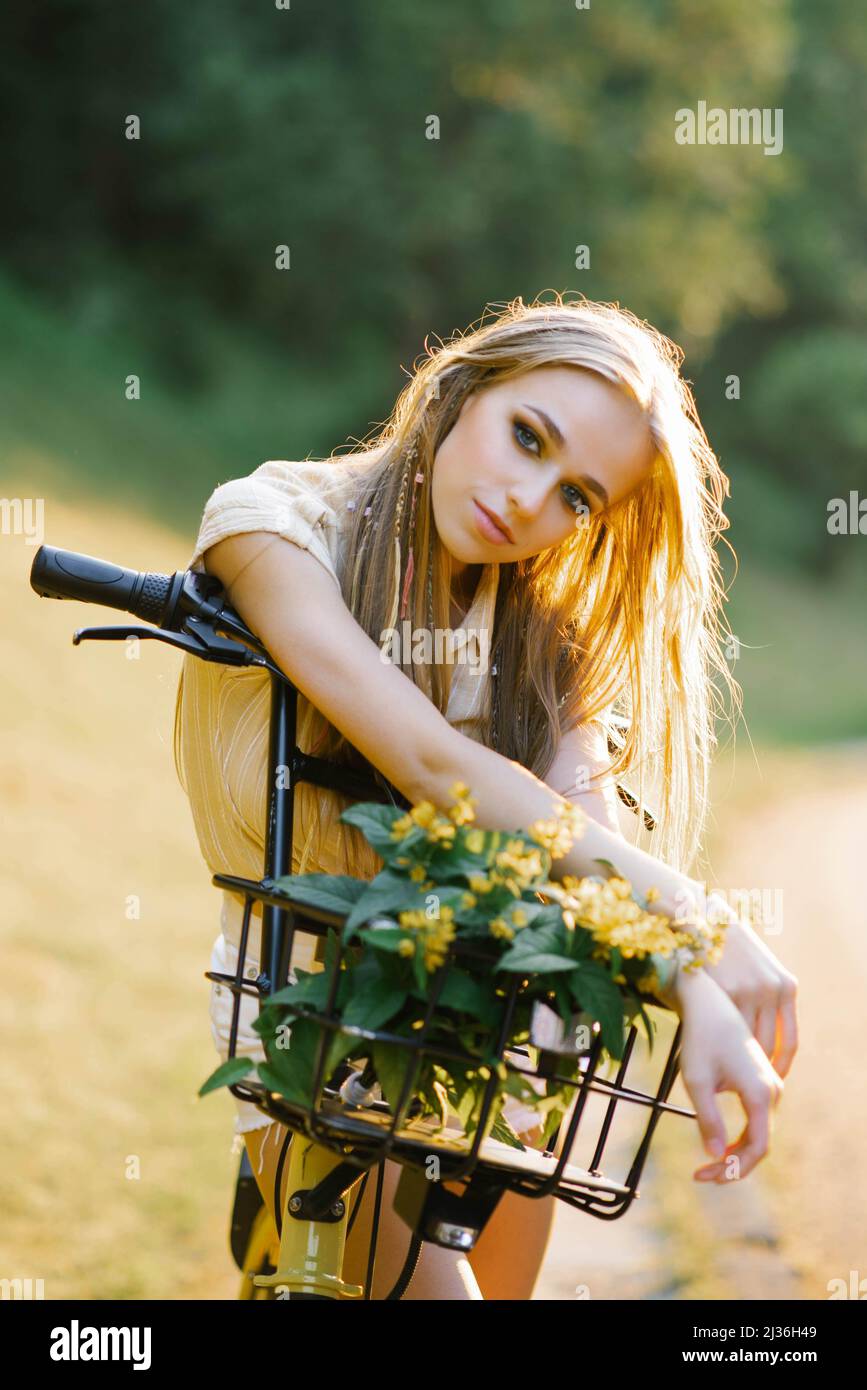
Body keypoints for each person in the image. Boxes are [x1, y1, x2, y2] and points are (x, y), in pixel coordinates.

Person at [173, 293, 798, 1299]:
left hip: (491, 1043)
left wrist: (688, 980)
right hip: (315, 1027)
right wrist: (696, 919)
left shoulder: (546, 641)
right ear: (467, 386)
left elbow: (583, 844)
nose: (527, 498)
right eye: (527, 436)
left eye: (576, 495)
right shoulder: (276, 528)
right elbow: (430, 762)